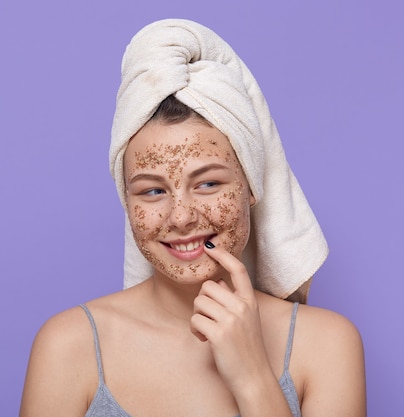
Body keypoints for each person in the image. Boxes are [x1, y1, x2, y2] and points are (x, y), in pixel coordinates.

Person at [20, 19, 366, 417]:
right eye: (152, 190)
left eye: (207, 184)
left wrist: (252, 377)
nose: (181, 217)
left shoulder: (326, 344)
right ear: (127, 203)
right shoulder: (68, 345)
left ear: (251, 186)